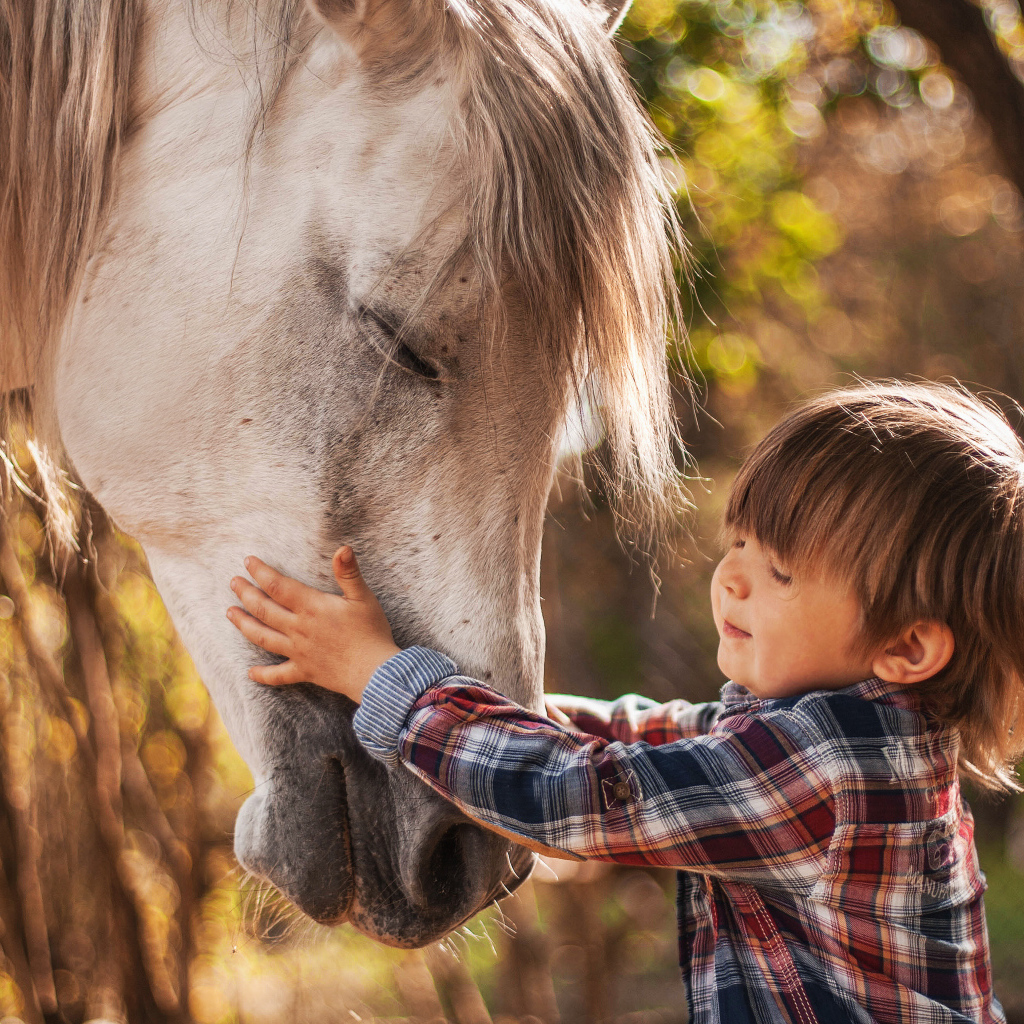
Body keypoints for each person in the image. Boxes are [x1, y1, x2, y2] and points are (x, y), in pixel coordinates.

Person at [226, 381, 1022, 1024]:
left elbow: (587, 794)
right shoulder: (849, 737)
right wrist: (502, 703)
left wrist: (385, 682)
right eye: (737, 540)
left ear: (909, 648)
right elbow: (654, 739)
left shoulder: (828, 771)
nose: (732, 578)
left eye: (781, 571)